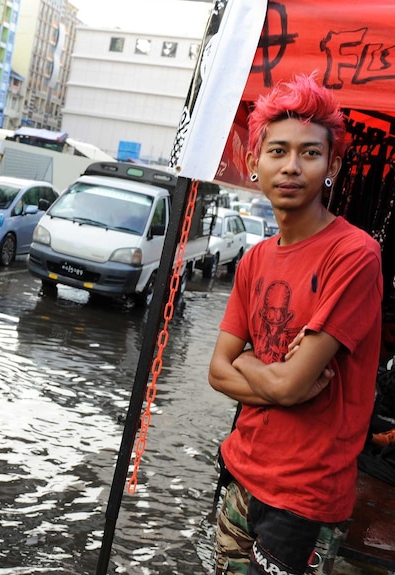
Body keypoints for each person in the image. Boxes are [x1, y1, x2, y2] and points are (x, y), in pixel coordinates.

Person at [208, 74, 383, 575]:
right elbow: (218, 371)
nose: (291, 166)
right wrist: (276, 380)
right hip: (240, 475)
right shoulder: (254, 259)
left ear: (333, 165)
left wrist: (250, 365)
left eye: (309, 153)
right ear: (254, 162)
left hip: (305, 498)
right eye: (278, 150)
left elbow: (282, 381)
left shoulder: (355, 255)